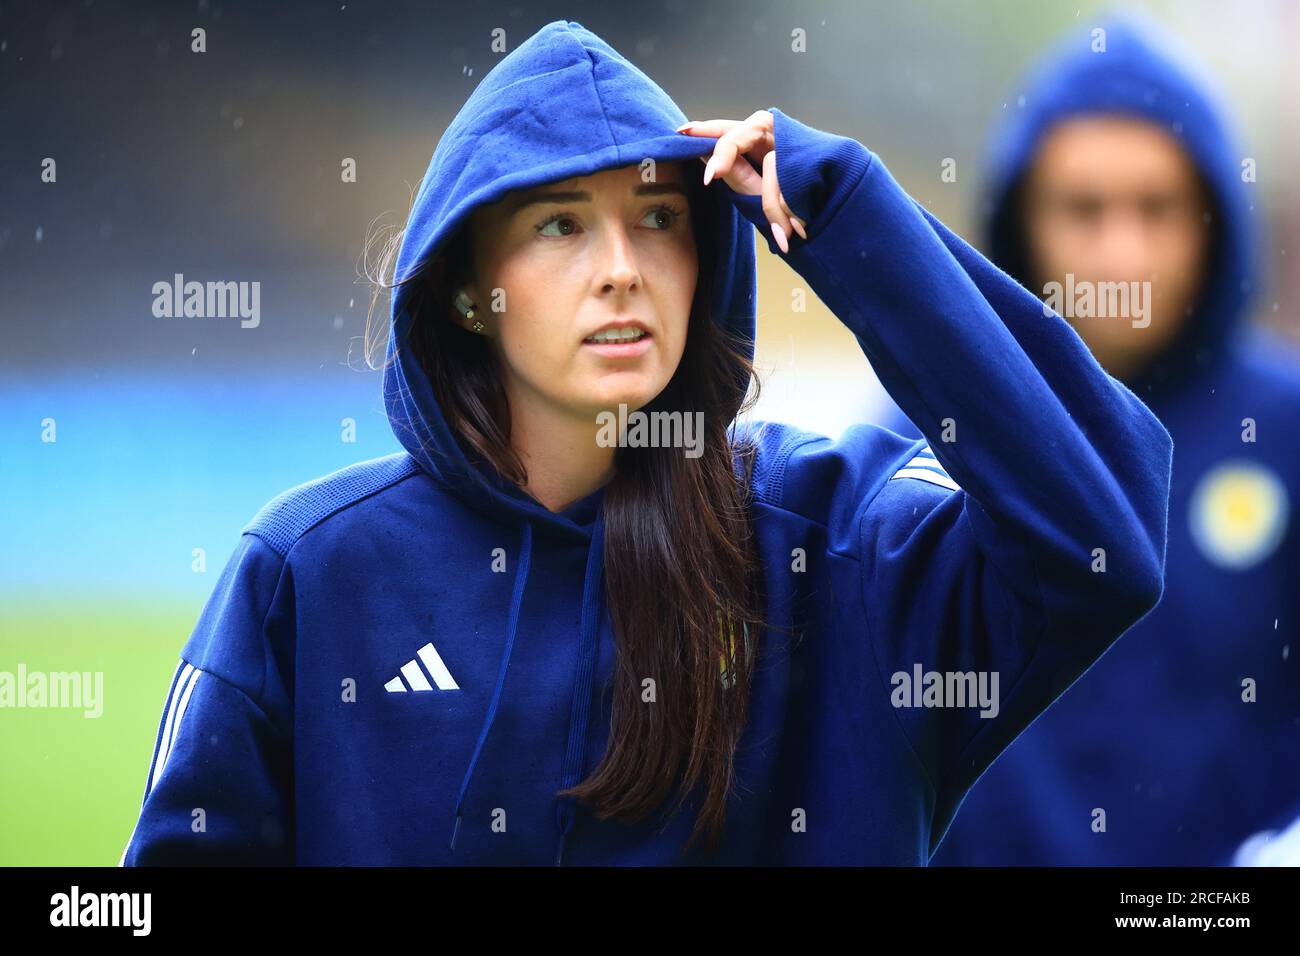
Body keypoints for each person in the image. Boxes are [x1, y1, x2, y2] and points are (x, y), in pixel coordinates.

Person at [118, 19, 1170, 866]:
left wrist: (856, 225)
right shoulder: (310, 568)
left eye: (659, 220)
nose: (620, 266)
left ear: (708, 257)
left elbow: (1105, 545)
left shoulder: (834, 537)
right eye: (558, 225)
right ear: (469, 294)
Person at [875, 15, 1300, 866]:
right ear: (1019, 221)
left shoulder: (1285, 430)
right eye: (1083, 208)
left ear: (1215, 219)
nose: (1120, 251)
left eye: (1157, 208)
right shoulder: (925, 432)